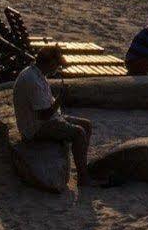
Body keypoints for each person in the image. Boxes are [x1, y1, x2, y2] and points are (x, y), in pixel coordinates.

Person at [13, 47, 93, 181]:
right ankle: (83, 177)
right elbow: (43, 115)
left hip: (46, 120)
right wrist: (61, 98)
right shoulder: (33, 80)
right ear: (49, 63)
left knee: (86, 125)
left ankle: (82, 166)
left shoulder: (38, 74)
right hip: (35, 128)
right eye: (57, 64)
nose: (58, 68)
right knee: (79, 133)